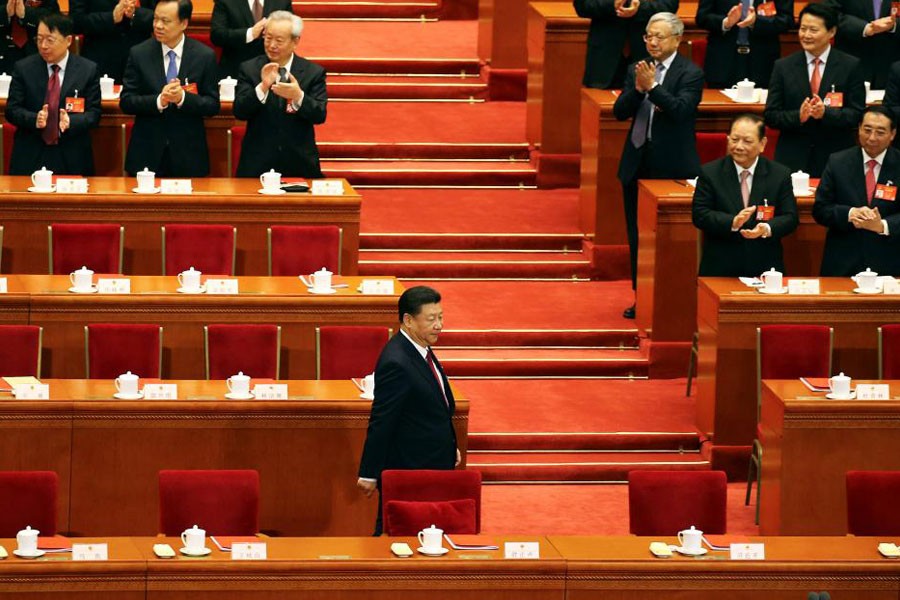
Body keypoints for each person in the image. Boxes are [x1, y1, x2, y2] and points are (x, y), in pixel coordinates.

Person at [613, 11, 703, 318]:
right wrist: (638, 89)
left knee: (669, 240)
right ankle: (642, 297)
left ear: (677, 39)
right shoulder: (637, 69)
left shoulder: (690, 73)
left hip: (673, 166)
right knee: (638, 236)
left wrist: (652, 88)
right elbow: (619, 112)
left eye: (659, 36)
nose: (652, 42)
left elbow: (680, 110)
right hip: (637, 162)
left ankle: (671, 300)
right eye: (648, 36)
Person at [357, 285, 460, 536]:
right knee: (396, 530)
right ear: (408, 320)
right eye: (431, 319)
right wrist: (369, 472)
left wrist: (450, 445)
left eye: (441, 317)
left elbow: (433, 406)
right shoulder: (396, 361)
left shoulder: (419, 347)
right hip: (410, 468)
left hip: (431, 461)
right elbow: (382, 420)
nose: (439, 325)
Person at [764, 2, 865, 178]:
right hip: (792, 157)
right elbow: (771, 115)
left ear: (831, 32)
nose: (806, 35)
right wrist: (798, 116)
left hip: (835, 156)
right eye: (803, 29)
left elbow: (856, 114)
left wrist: (826, 113)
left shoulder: (850, 66)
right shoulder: (783, 66)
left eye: (813, 30)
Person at [119, 0, 219, 177]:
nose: (158, 25)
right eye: (156, 19)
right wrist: (159, 100)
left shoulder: (204, 56)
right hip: (147, 155)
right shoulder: (139, 53)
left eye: (165, 21)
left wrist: (183, 99)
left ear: (184, 23)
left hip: (189, 155)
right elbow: (126, 101)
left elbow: (212, 105)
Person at [692, 113, 799, 276]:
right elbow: (700, 215)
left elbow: (790, 217)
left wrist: (766, 228)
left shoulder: (779, 174)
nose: (739, 146)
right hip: (721, 266)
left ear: (762, 144)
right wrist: (733, 222)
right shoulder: (710, 173)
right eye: (734, 139)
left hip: (765, 267)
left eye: (747, 141)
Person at [232, 10, 325, 178]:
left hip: (299, 163)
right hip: (257, 163)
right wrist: (263, 86)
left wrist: (298, 96)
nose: (272, 45)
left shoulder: (313, 72)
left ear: (295, 42)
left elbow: (319, 115)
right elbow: (240, 111)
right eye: (268, 38)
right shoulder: (250, 69)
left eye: (279, 40)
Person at [5, 13, 101, 175]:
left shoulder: (87, 70)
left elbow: (94, 114)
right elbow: (11, 110)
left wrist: (72, 121)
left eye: (50, 40)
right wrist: (34, 119)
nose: (43, 45)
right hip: (31, 154)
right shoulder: (24, 68)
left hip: (72, 155)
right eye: (39, 39)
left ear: (68, 41)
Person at [813, 106, 900, 276]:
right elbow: (820, 209)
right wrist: (849, 213)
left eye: (880, 132)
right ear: (859, 129)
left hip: (889, 263)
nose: (872, 138)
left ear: (893, 134)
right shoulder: (837, 162)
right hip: (842, 262)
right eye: (867, 130)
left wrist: (883, 225)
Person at [574, 0, 678, 89]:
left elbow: (669, 5)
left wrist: (640, 9)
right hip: (604, 57)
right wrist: (612, 4)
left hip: (646, 52)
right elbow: (582, 5)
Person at [695, 0, 793, 89]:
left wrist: (756, 22)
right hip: (722, 61)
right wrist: (726, 22)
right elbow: (702, 17)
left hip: (763, 62)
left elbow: (786, 20)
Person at [70, 0, 156, 83]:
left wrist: (135, 14)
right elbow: (76, 22)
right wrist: (111, 17)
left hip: (140, 58)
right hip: (100, 57)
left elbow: (162, 16)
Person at [824, 0, 900, 89]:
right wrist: (864, 28)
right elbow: (829, 12)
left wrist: (894, 25)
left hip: (893, 63)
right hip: (852, 58)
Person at [209, 0, 291, 79]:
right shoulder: (225, 1)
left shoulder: (282, 1)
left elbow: (291, 33)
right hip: (236, 71)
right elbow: (217, 35)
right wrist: (250, 33)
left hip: (274, 70)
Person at [0, 0, 59, 74]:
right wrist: (5, 12)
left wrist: (26, 13)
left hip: (36, 50)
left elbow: (54, 17)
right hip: (3, 50)